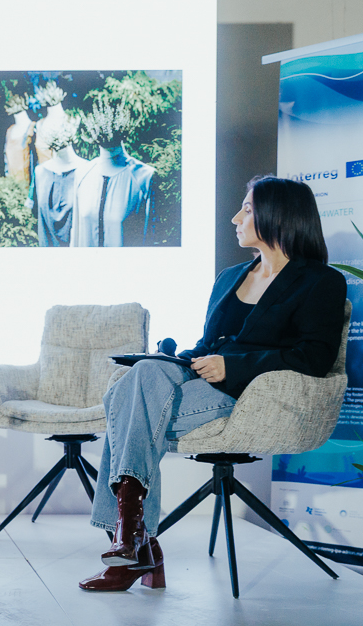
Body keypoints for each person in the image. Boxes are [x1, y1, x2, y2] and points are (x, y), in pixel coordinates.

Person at [79, 176, 347, 591]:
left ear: (278, 215)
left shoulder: (320, 281)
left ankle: (135, 542)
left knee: (125, 404)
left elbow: (314, 357)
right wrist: (178, 357)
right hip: (201, 377)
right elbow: (208, 344)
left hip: (247, 394)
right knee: (143, 374)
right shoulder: (230, 276)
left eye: (247, 209)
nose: (236, 218)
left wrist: (231, 367)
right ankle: (132, 540)